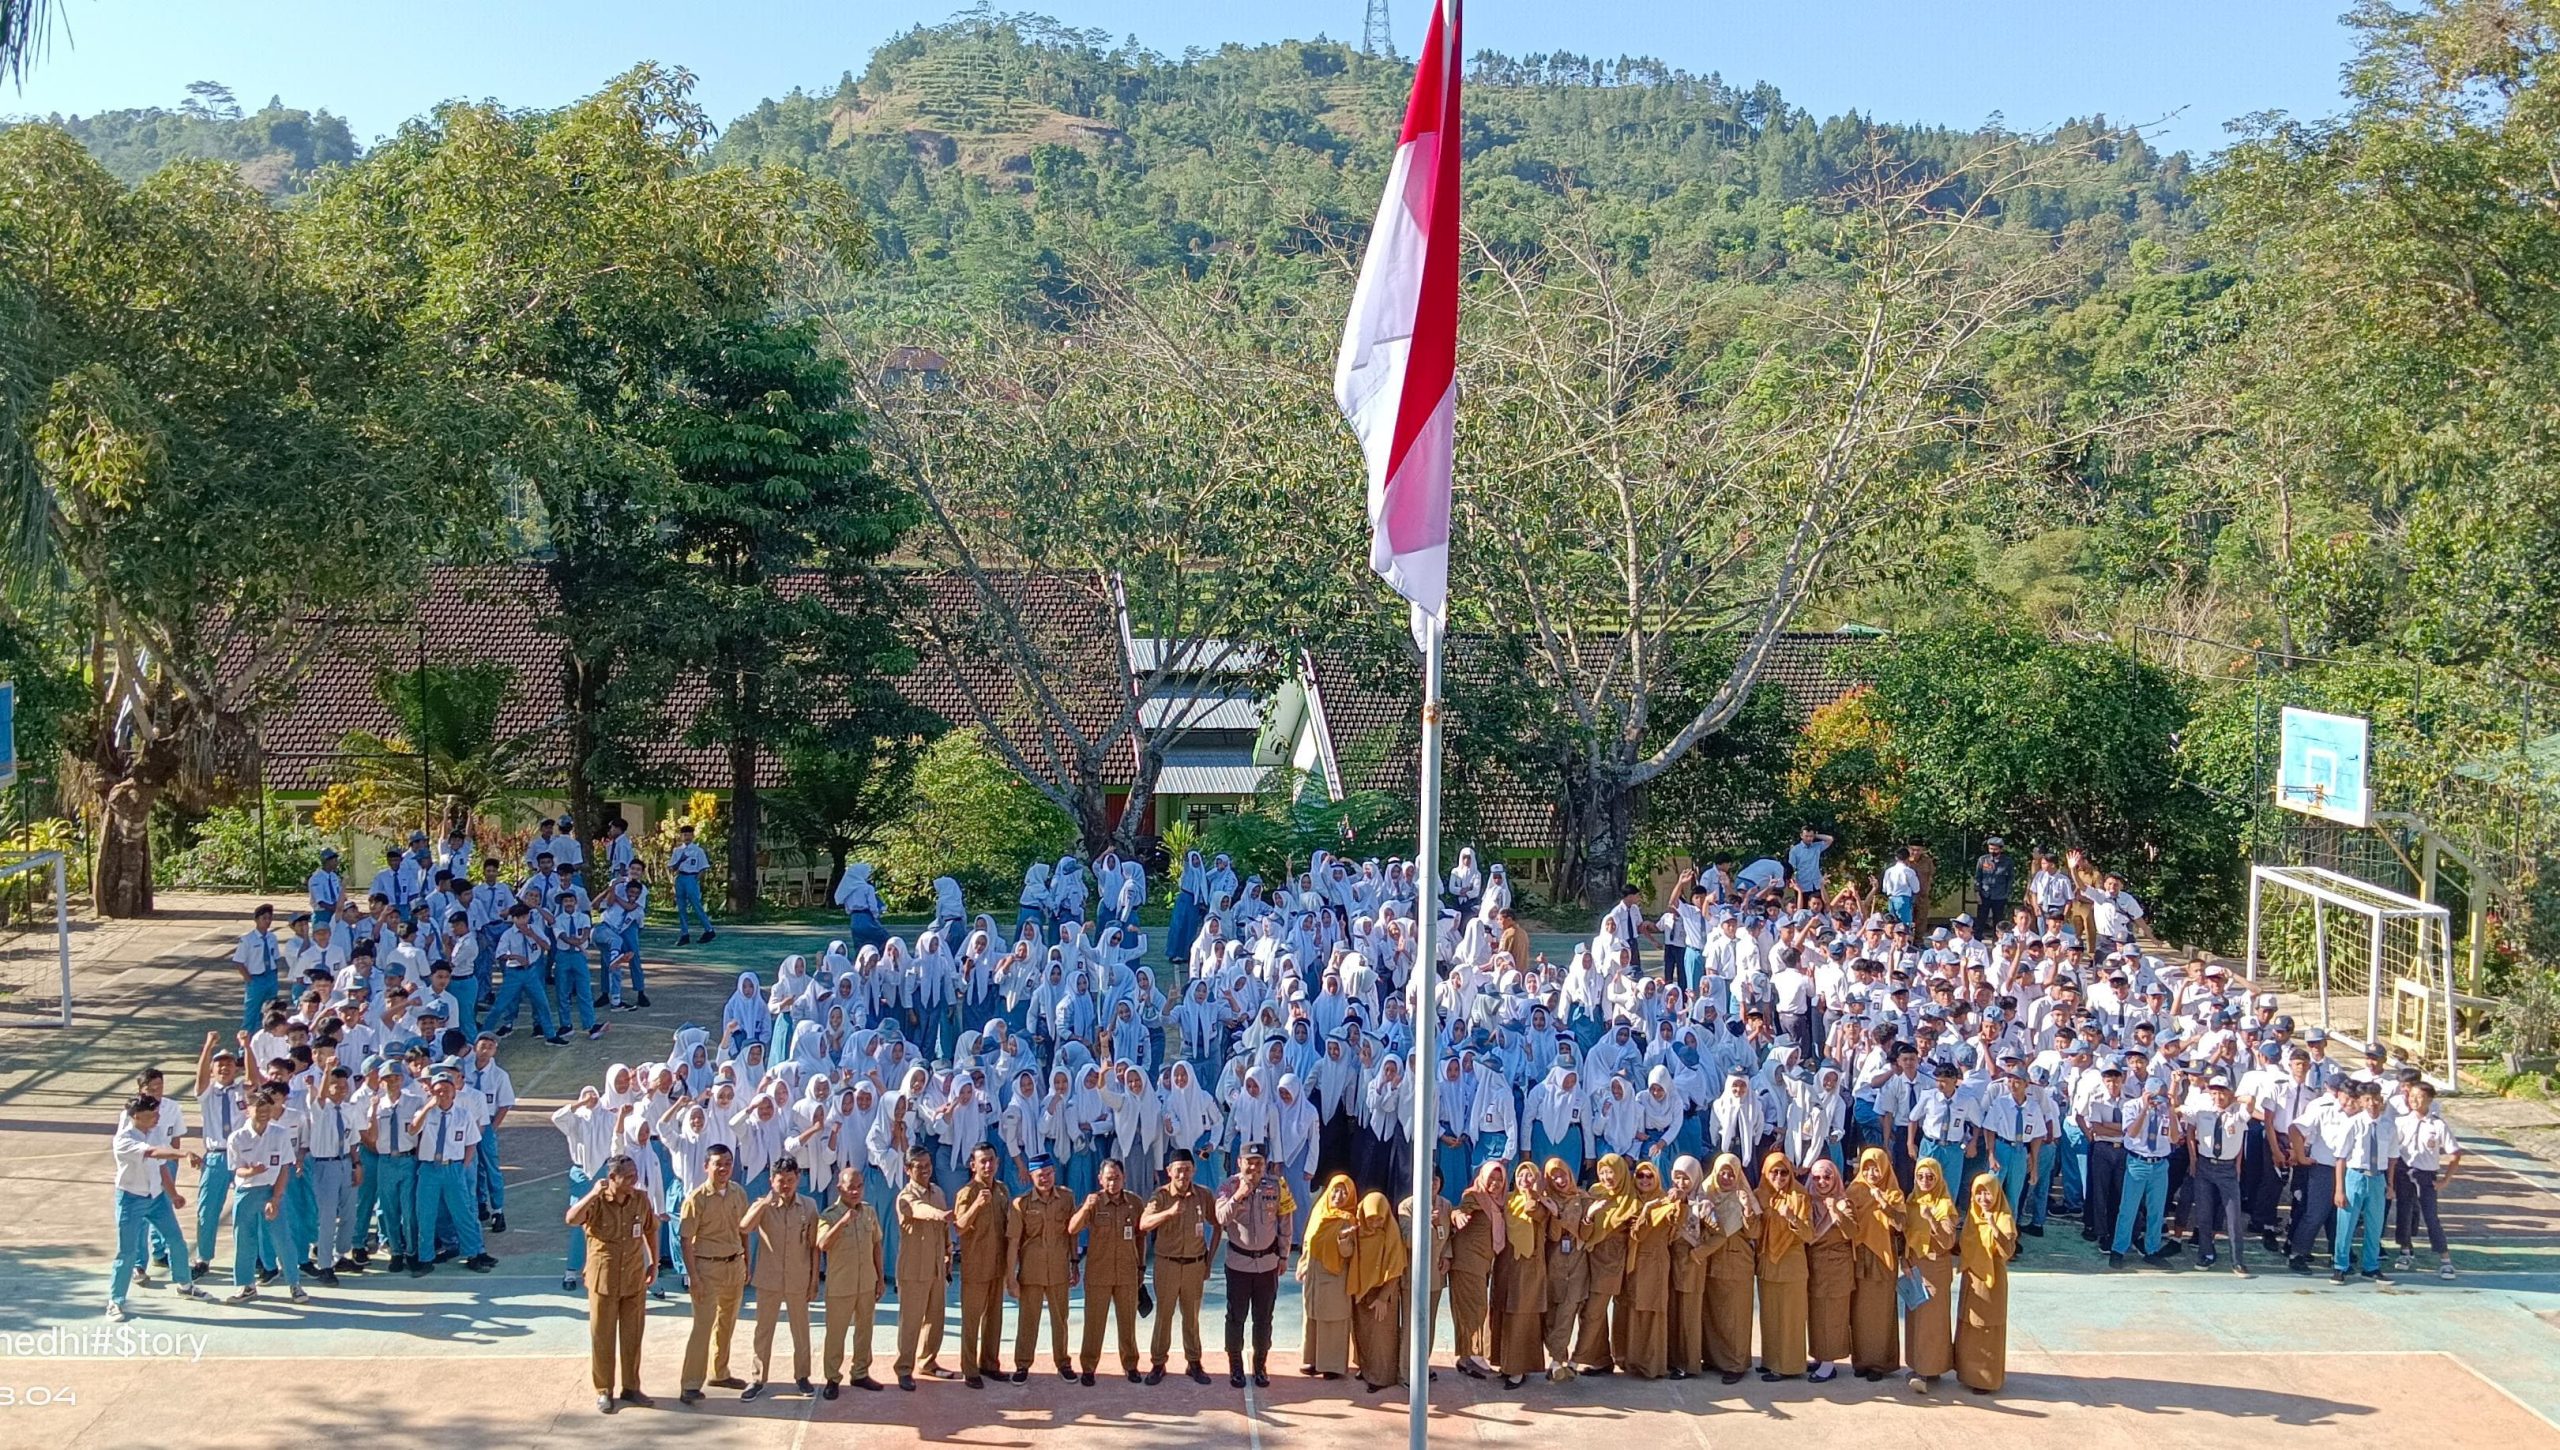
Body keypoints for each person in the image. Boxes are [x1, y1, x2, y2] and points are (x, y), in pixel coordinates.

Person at [567, 1153, 658, 1414]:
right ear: (612, 1177)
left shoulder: (640, 1200)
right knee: (602, 1337)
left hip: (633, 1277)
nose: (633, 1180)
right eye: (627, 1177)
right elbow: (572, 1219)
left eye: (635, 1175)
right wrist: (592, 1194)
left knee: (633, 1336)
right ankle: (604, 1390)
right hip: (603, 1279)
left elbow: (650, 1229)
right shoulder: (597, 1202)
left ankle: (631, 1387)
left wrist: (654, 1262)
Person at [109, 1095, 210, 1320]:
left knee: (176, 1241)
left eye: (157, 1113)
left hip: (157, 1198)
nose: (157, 1118)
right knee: (127, 1252)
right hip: (130, 1200)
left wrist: (173, 1195)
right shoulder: (124, 1139)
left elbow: (161, 1166)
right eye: (151, 1115)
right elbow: (153, 1153)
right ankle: (115, 1301)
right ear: (136, 1116)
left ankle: (185, 1285)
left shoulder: (154, 1131)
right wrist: (184, 1154)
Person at [1214, 1140, 1295, 1388]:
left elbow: (1285, 1222)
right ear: (1239, 1162)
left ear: (1265, 1164)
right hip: (1238, 1264)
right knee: (1235, 1317)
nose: (1254, 1168)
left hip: (1268, 1264)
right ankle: (1236, 1366)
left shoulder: (1277, 1186)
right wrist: (1239, 1194)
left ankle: (1260, 1365)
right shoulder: (1228, 1186)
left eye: (1259, 1163)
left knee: (1264, 1318)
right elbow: (1221, 1218)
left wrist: (1284, 1256)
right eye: (1249, 1162)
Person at [678, 1143, 751, 1403]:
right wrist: (693, 1277)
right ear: (706, 1166)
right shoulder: (696, 1199)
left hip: (734, 1265)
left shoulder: (738, 1193)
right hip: (707, 1268)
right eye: (718, 1164)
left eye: (728, 1163)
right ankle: (690, 1384)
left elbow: (744, 1230)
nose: (724, 1168)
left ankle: (720, 1372)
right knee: (703, 1327)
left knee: (727, 1323)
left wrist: (746, 1261)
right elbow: (686, 1240)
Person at [743, 1154, 820, 1398]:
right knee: (763, 1331)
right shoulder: (763, 1205)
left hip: (798, 1276)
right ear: (771, 1181)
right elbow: (744, 1227)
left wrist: (814, 1280)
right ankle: (757, 1379)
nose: (785, 1185)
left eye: (790, 1180)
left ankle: (802, 1376)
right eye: (780, 1181)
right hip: (769, 1277)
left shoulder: (809, 1206)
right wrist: (765, 1203)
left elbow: (814, 1246)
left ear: (798, 1179)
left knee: (801, 1330)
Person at [1142, 1147, 1219, 1384]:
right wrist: (1168, 1213)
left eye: (1187, 1169)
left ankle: (1194, 1362)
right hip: (1167, 1265)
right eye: (1178, 1170)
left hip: (1195, 1265)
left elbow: (1217, 1225)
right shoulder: (1161, 1195)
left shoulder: (1203, 1195)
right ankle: (1158, 1363)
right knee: (1164, 1315)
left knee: (1191, 1317)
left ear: (1194, 1170)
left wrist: (1209, 1261)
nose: (1183, 1175)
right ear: (1169, 1171)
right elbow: (1144, 1224)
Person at [1072, 1156, 1145, 1385]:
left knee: (1128, 1322)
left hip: (1127, 1272)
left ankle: (1130, 1365)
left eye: (1117, 1178)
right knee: (1094, 1323)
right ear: (1100, 1179)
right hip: (1099, 1273)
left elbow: (1141, 1236)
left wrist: (1141, 1266)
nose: (1113, 1183)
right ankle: (1088, 1367)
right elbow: (1072, 1228)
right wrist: (1086, 1207)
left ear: (1124, 1178)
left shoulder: (1134, 1203)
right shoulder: (1094, 1202)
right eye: (1109, 1179)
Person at [817, 1162, 887, 1396]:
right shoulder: (829, 1215)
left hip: (866, 1282)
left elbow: (876, 1245)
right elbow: (823, 1244)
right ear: (840, 1188)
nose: (855, 1191)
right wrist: (843, 1222)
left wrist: (880, 1278)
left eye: (859, 1186)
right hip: (841, 1285)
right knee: (836, 1334)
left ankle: (860, 1373)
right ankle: (832, 1378)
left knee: (865, 1330)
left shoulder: (869, 1212)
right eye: (850, 1187)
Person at [1010, 1153, 1077, 1382]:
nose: (1045, 1179)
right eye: (1040, 1175)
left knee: (1061, 1319)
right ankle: (1022, 1365)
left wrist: (1074, 1263)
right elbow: (1014, 1242)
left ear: (1054, 1173)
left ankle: (1063, 1363)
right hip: (1032, 1270)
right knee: (1028, 1320)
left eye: (1049, 1173)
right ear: (1031, 1176)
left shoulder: (1066, 1198)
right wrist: (1011, 1277)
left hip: (1059, 1269)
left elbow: (1072, 1233)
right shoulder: (1021, 1204)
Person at [892, 1146, 954, 1391]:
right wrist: (940, 1214)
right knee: (911, 1322)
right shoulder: (905, 1196)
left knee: (936, 1318)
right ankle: (904, 1369)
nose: (926, 1170)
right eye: (919, 1166)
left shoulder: (937, 1191)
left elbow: (943, 1230)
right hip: (913, 1269)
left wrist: (948, 1251)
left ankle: (928, 1361)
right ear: (908, 1170)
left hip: (937, 1267)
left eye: (928, 1165)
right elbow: (920, 1210)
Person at [954, 1142, 1012, 1388]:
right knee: (971, 1320)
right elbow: (959, 1227)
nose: (988, 1165)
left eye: (991, 1160)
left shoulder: (1002, 1190)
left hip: (997, 1264)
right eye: (982, 1161)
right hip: (976, 1265)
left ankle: (990, 1363)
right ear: (973, 1165)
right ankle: (969, 1369)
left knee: (994, 1318)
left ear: (997, 1162)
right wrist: (977, 1204)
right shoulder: (967, 1193)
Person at [1845, 1147, 1905, 1380]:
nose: (1871, 1173)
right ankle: (1861, 1361)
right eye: (1867, 1167)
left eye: (1876, 1168)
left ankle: (1879, 1364)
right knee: (1859, 1312)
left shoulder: (1893, 1193)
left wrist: (1884, 1203)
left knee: (1880, 1311)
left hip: (1882, 1256)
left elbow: (1900, 1224)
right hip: (1859, 1256)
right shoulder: (1854, 1190)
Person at [1753, 1151, 1812, 1381]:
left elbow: (1809, 1235)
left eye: (1784, 1172)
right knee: (1770, 1316)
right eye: (1774, 1172)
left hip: (1791, 1265)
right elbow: (1753, 1231)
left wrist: (1792, 1218)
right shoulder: (1759, 1195)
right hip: (1767, 1264)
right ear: (1765, 1173)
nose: (1779, 1177)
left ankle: (1789, 1366)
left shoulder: (1800, 1195)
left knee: (1790, 1318)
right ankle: (1770, 1361)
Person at [1955, 1172, 2016, 1395]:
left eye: (1987, 1193)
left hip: (1992, 1282)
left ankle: (1986, 1379)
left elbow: (2008, 1251)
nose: (1983, 1198)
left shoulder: (2003, 1218)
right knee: (1970, 1325)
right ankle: (1967, 1373)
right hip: (1972, 1279)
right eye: (1978, 1193)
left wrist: (1994, 1227)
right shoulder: (1972, 1217)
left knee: (1988, 1327)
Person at [1902, 1156, 1959, 1393]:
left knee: (1931, 1321)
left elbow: (1948, 1241)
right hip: (1915, 1266)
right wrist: (1904, 1259)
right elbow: (1906, 1235)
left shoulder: (1944, 1205)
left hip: (1935, 1267)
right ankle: (1927, 1365)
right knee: (1916, 1319)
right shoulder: (1912, 1201)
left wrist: (1932, 1219)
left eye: (1930, 1177)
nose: (1925, 1181)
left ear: (1938, 1178)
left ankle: (1924, 1371)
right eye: (1920, 1176)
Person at [2393, 1080, 2460, 1279]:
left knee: (2431, 1216)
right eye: (2412, 1096)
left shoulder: (2437, 1125)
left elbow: (2455, 1154)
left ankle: (2445, 1259)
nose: (2414, 1100)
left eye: (2420, 1096)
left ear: (2430, 1100)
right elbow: (2392, 1153)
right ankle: (2405, 1251)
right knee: (2404, 1213)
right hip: (2404, 1173)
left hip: (2426, 1175)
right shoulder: (2401, 1122)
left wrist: (2445, 1181)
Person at [1497, 1160, 1553, 1389]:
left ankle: (1519, 1368)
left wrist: (1533, 1192)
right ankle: (1506, 1363)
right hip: (1507, 1265)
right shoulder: (1509, 1199)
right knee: (1504, 1313)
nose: (1524, 1180)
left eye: (1529, 1176)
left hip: (1529, 1266)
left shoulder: (1542, 1202)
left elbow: (1532, 1211)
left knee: (1522, 1316)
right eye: (1520, 1176)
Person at [1298, 1173, 1358, 1379]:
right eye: (1335, 1190)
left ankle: (1332, 1365)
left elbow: (1349, 1253)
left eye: (1344, 1192)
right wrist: (1303, 1264)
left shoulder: (1348, 1220)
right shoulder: (1319, 1211)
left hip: (1334, 1278)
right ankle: (1314, 1360)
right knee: (1313, 1318)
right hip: (1313, 1274)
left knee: (1333, 1321)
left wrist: (1343, 1239)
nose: (1338, 1196)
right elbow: (1308, 1240)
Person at [1347, 1190, 1407, 1393]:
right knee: (1362, 1334)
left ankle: (1381, 1377)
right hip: (1361, 1293)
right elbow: (1348, 1256)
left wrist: (1383, 1297)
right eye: (1370, 1218)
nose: (1374, 1223)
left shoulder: (1391, 1234)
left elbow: (1396, 1269)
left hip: (1383, 1295)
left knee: (1382, 1339)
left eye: (1379, 1219)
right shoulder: (1358, 1232)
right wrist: (1343, 1239)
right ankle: (1365, 1369)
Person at [1802, 1157, 1854, 1383]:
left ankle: (1829, 1363)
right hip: (1814, 1265)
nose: (1822, 1182)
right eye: (1816, 1178)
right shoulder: (1809, 1200)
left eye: (1827, 1177)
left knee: (1832, 1315)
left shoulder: (1843, 1202)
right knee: (1816, 1314)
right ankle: (1820, 1355)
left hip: (1836, 1267)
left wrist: (1837, 1213)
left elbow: (1852, 1232)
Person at [233, 904, 283, 1035]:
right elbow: (239, 961)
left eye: (269, 918)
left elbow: (275, 957)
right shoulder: (247, 939)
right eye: (264, 918)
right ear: (256, 919)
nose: (267, 921)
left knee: (271, 1011)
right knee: (252, 1012)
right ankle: (245, 1043)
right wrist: (249, 979)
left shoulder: (272, 938)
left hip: (270, 977)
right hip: (256, 978)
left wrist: (274, 975)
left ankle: (268, 1037)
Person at [670, 823, 715, 944]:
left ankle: (709, 929)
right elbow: (673, 867)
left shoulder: (698, 851)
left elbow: (703, 867)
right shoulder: (677, 851)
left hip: (691, 877)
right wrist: (681, 860)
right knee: (681, 907)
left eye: (689, 835)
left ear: (693, 836)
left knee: (696, 905)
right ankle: (684, 933)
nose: (687, 837)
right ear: (681, 836)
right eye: (685, 835)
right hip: (681, 877)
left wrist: (696, 879)